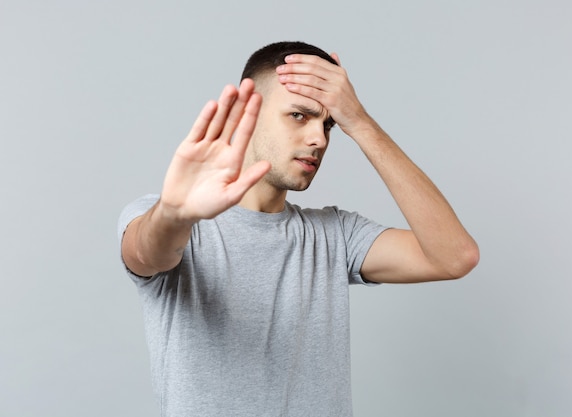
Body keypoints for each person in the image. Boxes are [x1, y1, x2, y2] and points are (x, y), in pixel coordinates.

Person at [118, 41, 479, 417]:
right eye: (298, 116)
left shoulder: (334, 235)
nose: (319, 139)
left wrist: (360, 122)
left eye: (328, 125)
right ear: (247, 113)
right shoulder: (165, 219)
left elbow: (455, 257)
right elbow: (147, 251)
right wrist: (176, 215)